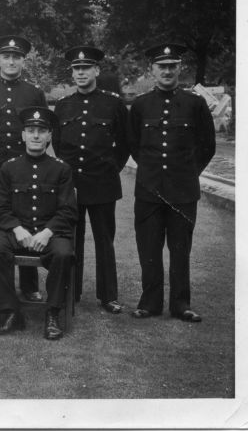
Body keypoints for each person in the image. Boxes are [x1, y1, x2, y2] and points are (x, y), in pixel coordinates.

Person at [128, 43, 215, 322]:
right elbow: (133, 145)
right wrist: (154, 171)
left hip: (183, 191)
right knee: (149, 249)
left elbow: (207, 145)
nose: (166, 71)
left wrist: (187, 173)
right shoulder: (140, 105)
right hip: (149, 189)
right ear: (151, 70)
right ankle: (150, 303)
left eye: (172, 66)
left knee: (180, 250)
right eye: (161, 66)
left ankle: (181, 305)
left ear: (180, 68)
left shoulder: (195, 103)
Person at [0, 106, 77, 340]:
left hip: (49, 233)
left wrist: (47, 232)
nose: (36, 135)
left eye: (41, 131)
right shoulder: (9, 167)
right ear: (23, 135)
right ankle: (9, 312)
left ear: (49, 136)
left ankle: (53, 313)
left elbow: (68, 210)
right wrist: (17, 228)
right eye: (31, 130)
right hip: (17, 231)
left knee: (63, 253)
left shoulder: (61, 169)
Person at [52, 46, 129, 313]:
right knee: (72, 239)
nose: (81, 73)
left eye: (86, 68)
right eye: (77, 69)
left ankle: (108, 296)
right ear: (72, 73)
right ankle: (71, 291)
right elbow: (59, 145)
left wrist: (110, 169)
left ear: (96, 70)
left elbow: (125, 144)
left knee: (104, 240)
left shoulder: (114, 103)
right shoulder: (63, 105)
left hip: (103, 182)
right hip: (71, 185)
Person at [0, 35, 46, 301]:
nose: (11, 61)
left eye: (16, 57)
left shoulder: (34, 92)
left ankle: (29, 286)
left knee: (27, 224)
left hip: (24, 174)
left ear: (23, 61)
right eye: (6, 56)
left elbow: (41, 131)